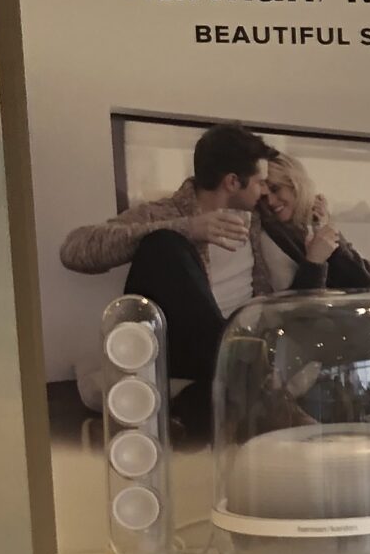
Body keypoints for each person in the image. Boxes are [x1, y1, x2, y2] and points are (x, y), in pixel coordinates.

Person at [58, 123, 281, 412]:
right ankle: (238, 369)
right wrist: (187, 228)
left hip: (234, 345)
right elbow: (74, 250)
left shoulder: (256, 219)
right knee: (163, 243)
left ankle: (226, 382)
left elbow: (299, 217)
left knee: (210, 394)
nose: (264, 191)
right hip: (180, 344)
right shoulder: (162, 213)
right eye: (260, 182)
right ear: (232, 182)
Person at [257, 150, 370, 302]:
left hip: (358, 308)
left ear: (296, 184)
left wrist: (329, 232)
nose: (271, 202)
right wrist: (314, 262)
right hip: (331, 319)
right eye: (263, 197)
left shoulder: (310, 224)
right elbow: (297, 308)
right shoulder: (272, 237)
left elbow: (364, 284)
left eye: (276, 189)